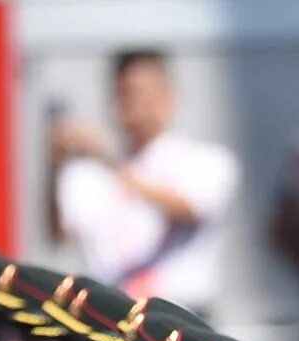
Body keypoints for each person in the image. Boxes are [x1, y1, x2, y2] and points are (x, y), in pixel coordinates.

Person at [49, 51, 241, 315]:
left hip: (182, 317)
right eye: (122, 94)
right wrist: (55, 163)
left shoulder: (205, 160)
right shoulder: (90, 171)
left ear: (168, 97)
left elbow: (189, 209)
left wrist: (111, 161)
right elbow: (58, 232)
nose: (129, 105)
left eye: (139, 93)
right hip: (111, 312)